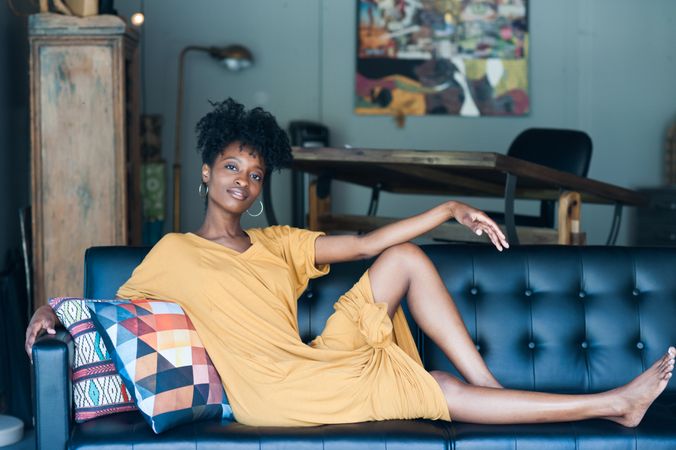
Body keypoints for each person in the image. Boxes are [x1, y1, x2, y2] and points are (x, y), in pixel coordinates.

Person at [26, 98, 674, 428]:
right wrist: (48, 309)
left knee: (403, 259)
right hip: (275, 393)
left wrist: (449, 207)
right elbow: (106, 304)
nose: (242, 183)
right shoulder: (171, 254)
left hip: (311, 358)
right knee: (438, 393)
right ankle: (615, 404)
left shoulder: (276, 241)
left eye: (254, 174)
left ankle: (495, 395)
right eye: (231, 168)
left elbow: (367, 248)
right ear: (206, 172)